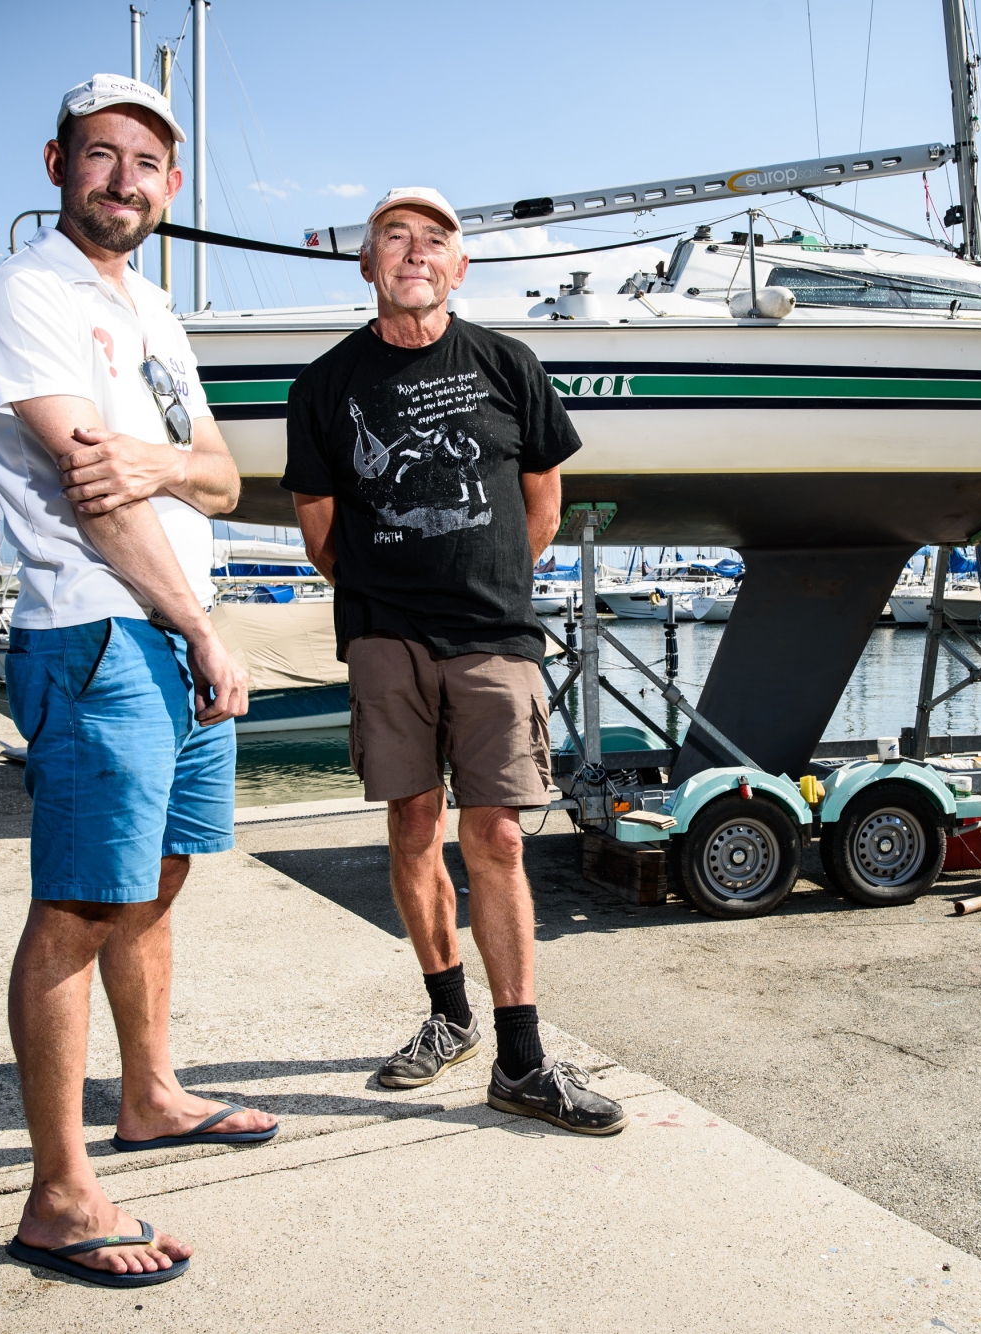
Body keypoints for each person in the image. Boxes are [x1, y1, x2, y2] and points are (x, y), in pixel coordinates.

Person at [0, 73, 276, 1289]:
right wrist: (199, 624)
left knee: (159, 879)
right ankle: (57, 1192)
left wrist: (161, 462)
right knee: (81, 906)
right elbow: (95, 495)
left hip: (176, 634)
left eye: (145, 162)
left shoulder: (155, 313)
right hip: (100, 632)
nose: (123, 179)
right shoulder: (22, 293)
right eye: (100, 155)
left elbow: (224, 477)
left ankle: (147, 1095)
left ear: (172, 185)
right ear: (57, 166)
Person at [282, 188, 625, 1136]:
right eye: (395, 237)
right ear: (368, 264)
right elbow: (321, 532)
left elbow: (541, 506)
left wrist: (485, 577)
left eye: (436, 240)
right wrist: (398, 580)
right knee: (410, 827)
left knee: (502, 837)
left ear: (459, 267)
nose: (416, 252)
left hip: (493, 635)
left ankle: (521, 1059)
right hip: (386, 636)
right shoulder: (325, 386)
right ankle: (448, 1015)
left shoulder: (508, 363)